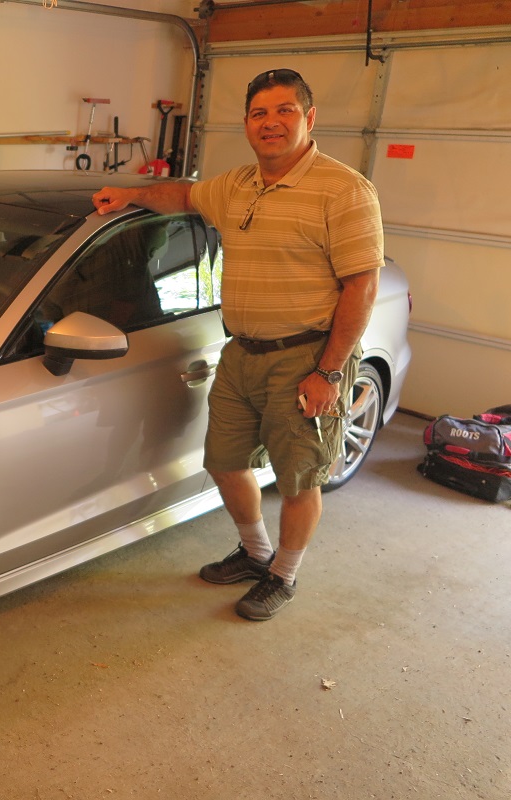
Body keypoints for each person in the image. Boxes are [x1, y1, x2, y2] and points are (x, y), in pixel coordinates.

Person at [91, 68, 383, 621]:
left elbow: (362, 285)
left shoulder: (343, 189)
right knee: (225, 462)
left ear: (309, 118)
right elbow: (181, 194)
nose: (271, 122)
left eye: (284, 110)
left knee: (298, 477)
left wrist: (327, 372)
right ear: (247, 124)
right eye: (259, 113)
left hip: (306, 358)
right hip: (241, 353)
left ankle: (284, 575)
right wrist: (129, 194)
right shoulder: (238, 185)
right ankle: (256, 553)